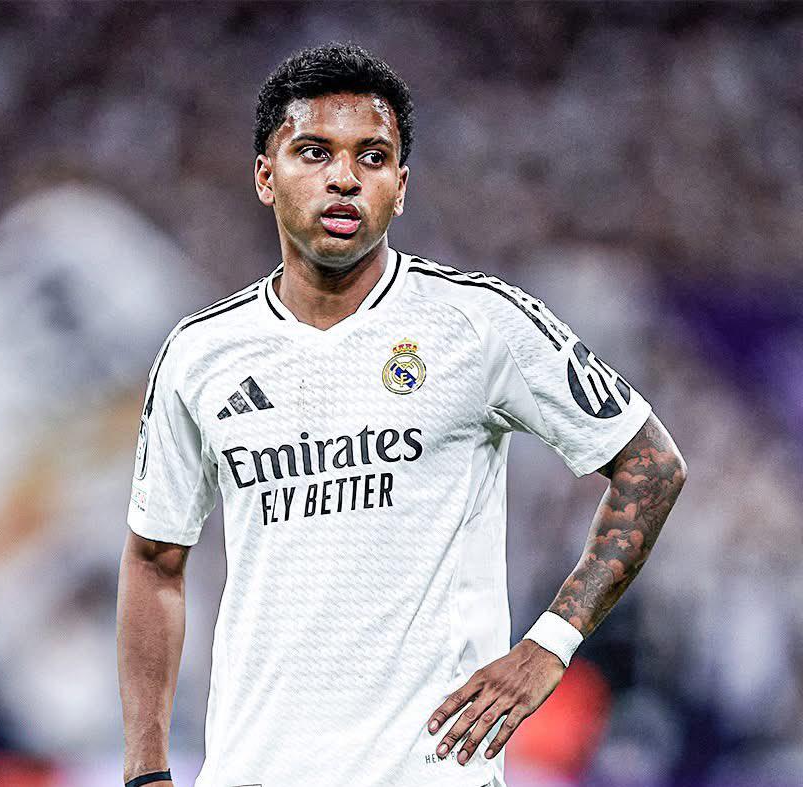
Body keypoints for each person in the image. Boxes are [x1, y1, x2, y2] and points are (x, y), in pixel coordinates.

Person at [117, 42, 687, 787]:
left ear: (402, 186)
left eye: (373, 156)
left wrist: (549, 643)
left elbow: (651, 465)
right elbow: (154, 559)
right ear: (265, 175)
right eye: (314, 152)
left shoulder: (480, 323)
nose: (345, 178)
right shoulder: (201, 354)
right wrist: (145, 770)